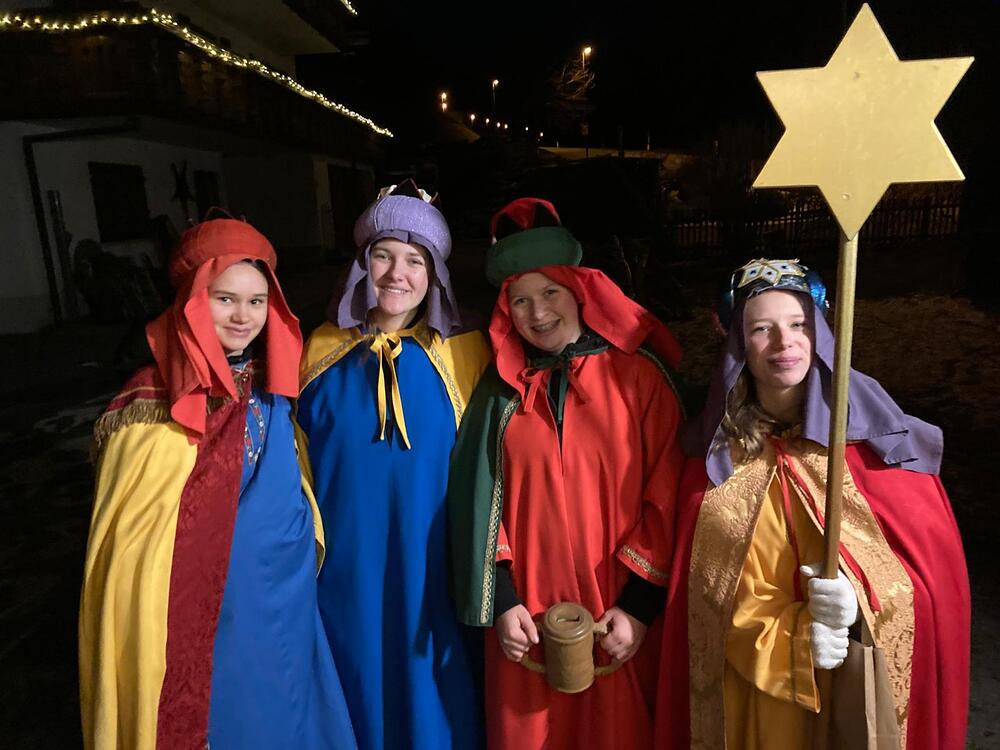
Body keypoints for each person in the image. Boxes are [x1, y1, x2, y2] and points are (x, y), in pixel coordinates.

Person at [655, 258, 971, 749]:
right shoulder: (714, 461)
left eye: (799, 324)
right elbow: (703, 594)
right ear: (739, 344)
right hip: (755, 696)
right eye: (762, 328)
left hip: (855, 689)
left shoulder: (875, 449)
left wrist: (861, 600)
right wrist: (796, 638)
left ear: (820, 332)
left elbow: (934, 590)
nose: (784, 343)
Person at [79, 218, 356, 749]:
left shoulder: (271, 384)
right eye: (225, 299)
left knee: (288, 706)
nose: (243, 316)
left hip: (287, 598)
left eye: (256, 302)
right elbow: (134, 547)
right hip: (211, 609)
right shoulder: (150, 404)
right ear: (192, 300)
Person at [448, 198, 686, 750]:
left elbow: (667, 494)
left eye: (550, 292)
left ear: (578, 291)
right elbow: (477, 504)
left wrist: (638, 608)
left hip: (616, 613)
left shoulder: (639, 380)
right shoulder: (498, 397)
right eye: (520, 300)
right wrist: (502, 602)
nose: (537, 313)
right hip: (528, 619)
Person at [297, 180, 491, 750]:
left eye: (414, 261)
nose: (396, 274)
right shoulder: (317, 351)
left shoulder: (466, 353)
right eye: (383, 256)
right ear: (362, 264)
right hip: (346, 563)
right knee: (356, 673)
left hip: (433, 560)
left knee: (432, 680)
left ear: (435, 275)